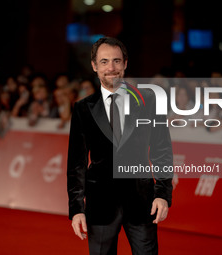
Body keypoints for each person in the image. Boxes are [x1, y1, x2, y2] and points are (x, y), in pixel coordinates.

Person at [67, 37, 173, 255]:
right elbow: (76, 163)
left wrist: (162, 193)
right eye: (104, 62)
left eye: (116, 61)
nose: (111, 68)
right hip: (100, 204)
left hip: (142, 201)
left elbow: (162, 150)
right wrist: (76, 209)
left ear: (125, 63)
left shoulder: (149, 101)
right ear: (94, 66)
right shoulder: (83, 109)